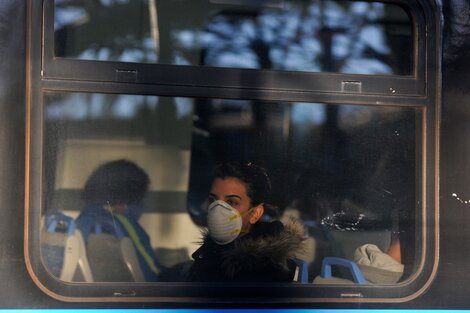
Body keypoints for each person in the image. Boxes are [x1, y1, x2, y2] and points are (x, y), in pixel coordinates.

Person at [186, 161, 306, 282]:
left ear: (255, 214)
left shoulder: (270, 273)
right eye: (213, 200)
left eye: (232, 202)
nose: (217, 209)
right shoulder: (207, 254)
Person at [75, 159, 161, 282]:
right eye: (140, 198)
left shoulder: (83, 220)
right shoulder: (122, 225)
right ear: (124, 201)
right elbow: (153, 274)